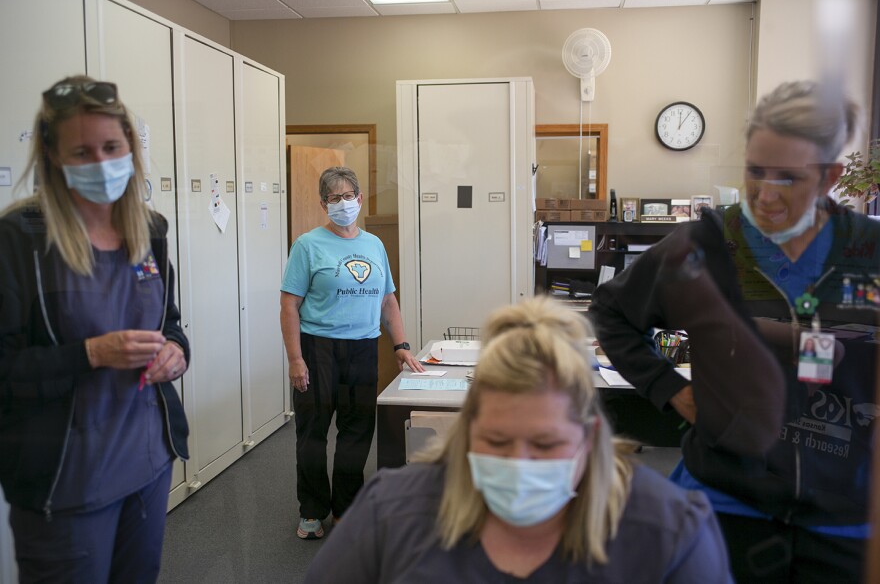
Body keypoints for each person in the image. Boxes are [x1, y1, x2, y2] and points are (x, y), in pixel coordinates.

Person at [591, 80, 879, 582]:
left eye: (788, 177)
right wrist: (672, 391)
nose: (765, 196)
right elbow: (611, 311)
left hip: (844, 519)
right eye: (754, 171)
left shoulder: (871, 251)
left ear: (831, 176)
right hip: (727, 503)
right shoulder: (708, 244)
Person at [304, 296, 732, 582]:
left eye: (545, 444)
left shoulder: (669, 533)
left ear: (591, 435)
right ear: (467, 432)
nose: (520, 462)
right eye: (497, 440)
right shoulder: (393, 512)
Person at [0, 76, 190, 582]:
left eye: (111, 147)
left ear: (130, 145)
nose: (102, 163)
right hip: (68, 481)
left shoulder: (148, 231)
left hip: (148, 464)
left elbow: (169, 322)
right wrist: (90, 353)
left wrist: (176, 350)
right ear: (52, 156)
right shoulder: (19, 242)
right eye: (82, 152)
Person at [280, 166, 424, 540]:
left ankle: (346, 509)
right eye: (334, 197)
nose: (342, 203)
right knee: (313, 433)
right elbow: (289, 306)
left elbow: (388, 300)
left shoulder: (374, 245)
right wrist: (296, 358)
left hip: (362, 348)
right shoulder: (307, 245)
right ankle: (312, 510)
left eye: (348, 196)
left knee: (357, 431)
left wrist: (401, 346)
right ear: (323, 203)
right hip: (317, 349)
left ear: (360, 200)